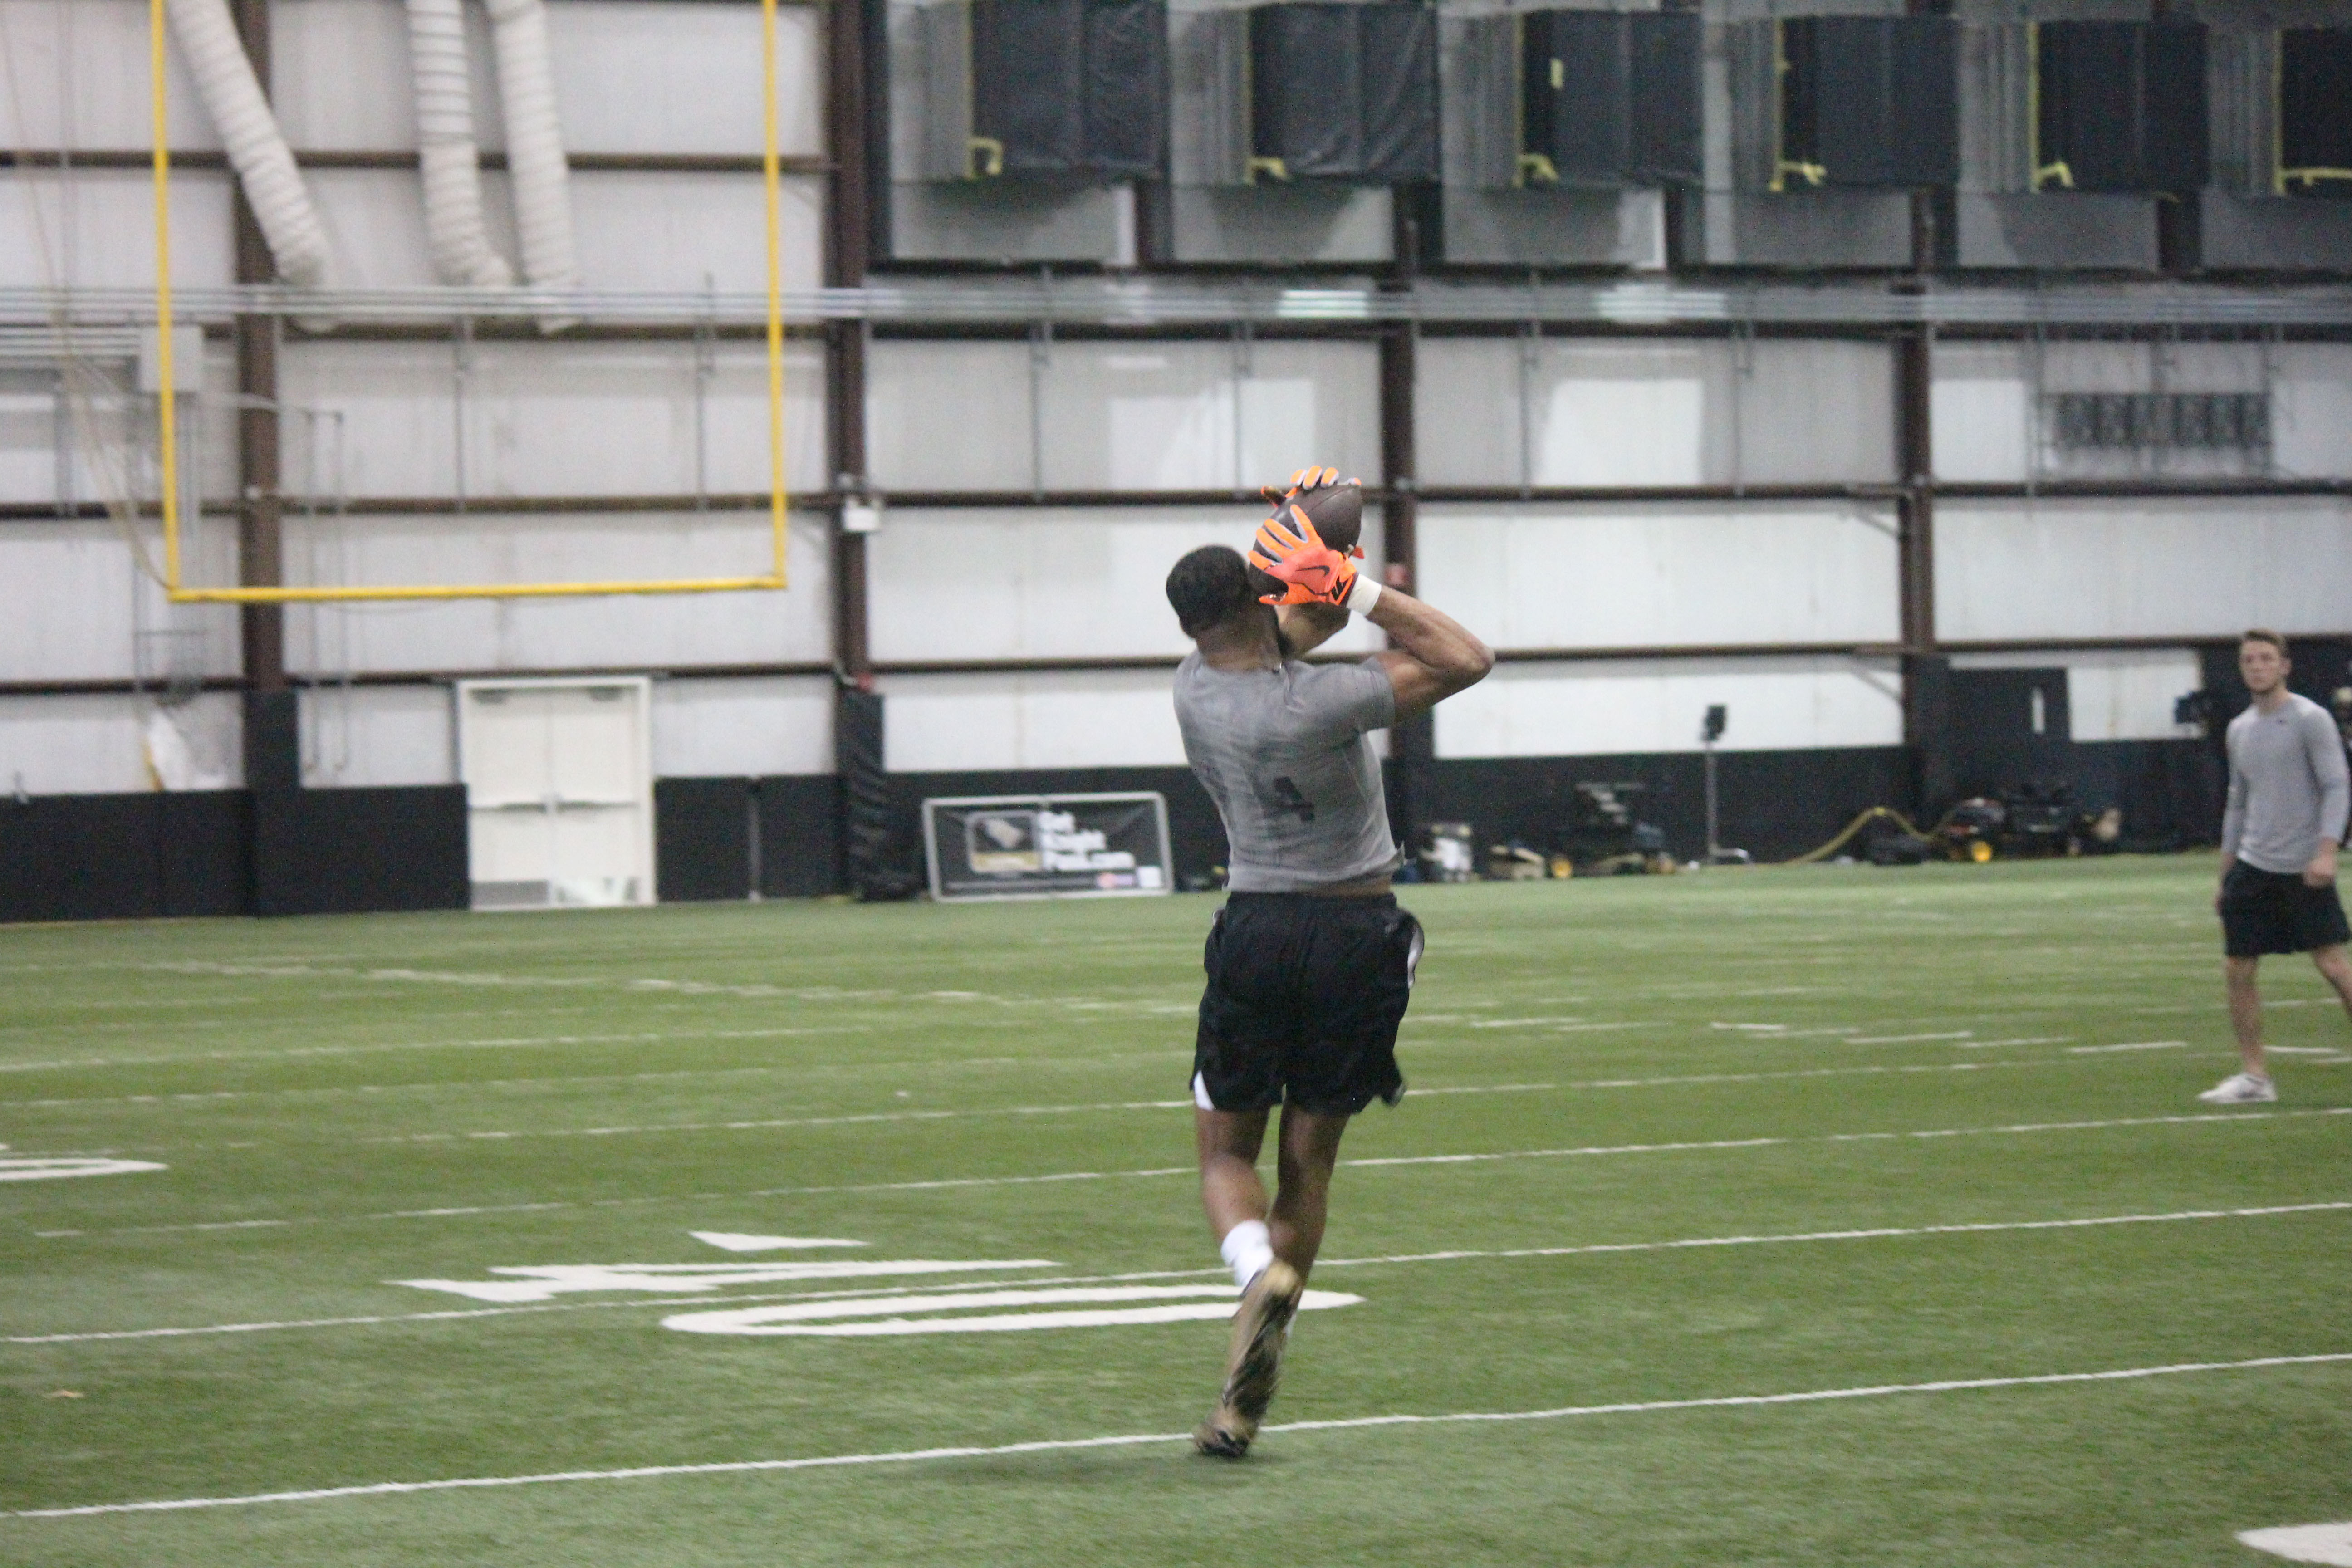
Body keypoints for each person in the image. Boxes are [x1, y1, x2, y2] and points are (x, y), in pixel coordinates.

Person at [1162, 468, 1493, 1458]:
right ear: (1261, 598)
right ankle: (1242, 1393)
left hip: (1257, 929)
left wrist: (1315, 531)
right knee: (1308, 1161)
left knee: (1225, 1155)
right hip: (1356, 934)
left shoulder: (1191, 688)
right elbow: (1466, 657)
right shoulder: (1327, 700)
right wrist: (1349, 575)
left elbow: (1277, 627)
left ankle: (1252, 1274)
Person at [2202, 629, 2352, 1104]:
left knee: (2334, 967)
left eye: (2267, 658)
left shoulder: (2311, 719)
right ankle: (2255, 1078)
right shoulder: (2239, 729)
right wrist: (2226, 873)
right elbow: (2237, 803)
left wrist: (2326, 851)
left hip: (2304, 866)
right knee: (2237, 967)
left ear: (2284, 666)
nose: (2258, 666)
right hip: (2254, 865)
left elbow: (2337, 786)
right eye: (2249, 660)